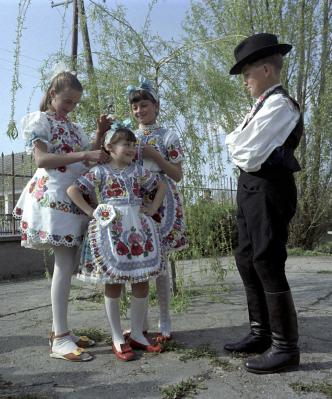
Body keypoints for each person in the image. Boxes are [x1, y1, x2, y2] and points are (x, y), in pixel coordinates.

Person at [13, 70, 110, 362]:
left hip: (72, 197)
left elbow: (88, 152)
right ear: (52, 94)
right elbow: (43, 160)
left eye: (75, 103)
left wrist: (100, 134)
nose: (70, 107)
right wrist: (83, 156)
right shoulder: (40, 120)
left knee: (66, 264)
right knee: (64, 264)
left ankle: (60, 330)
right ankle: (60, 339)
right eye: (67, 100)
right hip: (54, 198)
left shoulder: (71, 126)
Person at [224, 33, 303, 374]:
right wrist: (236, 143)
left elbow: (246, 152)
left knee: (267, 260)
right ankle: (261, 333)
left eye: (248, 73)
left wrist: (235, 143)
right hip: (250, 189)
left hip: (270, 188)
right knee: (246, 258)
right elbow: (236, 145)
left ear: (267, 70)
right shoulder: (259, 107)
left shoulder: (280, 105)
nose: (244, 81)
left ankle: (286, 348)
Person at [66, 120, 166, 361]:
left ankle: (137, 335)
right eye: (125, 144)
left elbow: (160, 186)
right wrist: (92, 211)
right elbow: (73, 190)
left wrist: (152, 207)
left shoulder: (139, 171)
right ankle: (117, 336)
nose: (131, 149)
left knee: (141, 279)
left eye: (133, 145)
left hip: (138, 229)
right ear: (109, 147)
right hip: (112, 230)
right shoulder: (100, 171)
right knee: (114, 282)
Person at [127, 77, 188, 342]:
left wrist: (155, 156)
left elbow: (177, 174)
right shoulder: (128, 137)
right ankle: (142, 322)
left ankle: (165, 319)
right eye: (135, 107)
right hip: (136, 201)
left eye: (144, 105)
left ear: (156, 105)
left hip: (164, 202)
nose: (139, 111)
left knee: (161, 263)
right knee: (138, 262)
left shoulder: (169, 135)